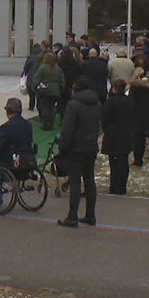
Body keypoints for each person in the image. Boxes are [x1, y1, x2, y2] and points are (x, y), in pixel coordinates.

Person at [57, 77, 103, 227]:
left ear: (75, 89)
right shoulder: (97, 103)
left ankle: (72, 215)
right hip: (91, 146)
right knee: (89, 179)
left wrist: (63, 147)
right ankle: (90, 214)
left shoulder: (73, 105)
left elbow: (67, 130)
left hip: (76, 148)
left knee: (75, 181)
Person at [101, 78, 135, 195]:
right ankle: (122, 186)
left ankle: (115, 187)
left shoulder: (110, 102)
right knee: (124, 161)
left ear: (114, 88)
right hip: (126, 134)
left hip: (113, 135)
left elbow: (104, 119)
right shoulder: (130, 101)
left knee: (114, 164)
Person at [31, 52, 64, 130]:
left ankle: (46, 124)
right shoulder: (58, 69)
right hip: (55, 91)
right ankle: (51, 124)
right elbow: (62, 81)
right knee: (52, 108)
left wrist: (34, 88)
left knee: (45, 108)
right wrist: (60, 89)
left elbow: (37, 79)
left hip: (45, 90)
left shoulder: (42, 68)